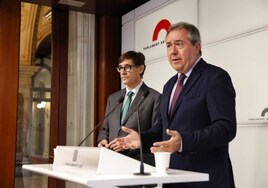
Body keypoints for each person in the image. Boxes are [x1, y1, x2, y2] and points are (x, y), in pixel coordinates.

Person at [110, 22, 237, 188]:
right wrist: (142, 139)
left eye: (179, 44)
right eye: (169, 45)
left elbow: (225, 128)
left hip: (205, 179)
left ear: (197, 47)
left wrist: (183, 142)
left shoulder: (215, 77)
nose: (172, 51)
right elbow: (162, 127)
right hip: (173, 178)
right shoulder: (169, 85)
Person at [97, 50, 161, 166]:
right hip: (110, 162)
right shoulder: (113, 98)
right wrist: (102, 140)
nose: (122, 72)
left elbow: (157, 134)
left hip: (138, 164)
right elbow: (104, 130)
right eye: (120, 68)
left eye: (127, 67)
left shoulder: (155, 98)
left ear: (140, 69)